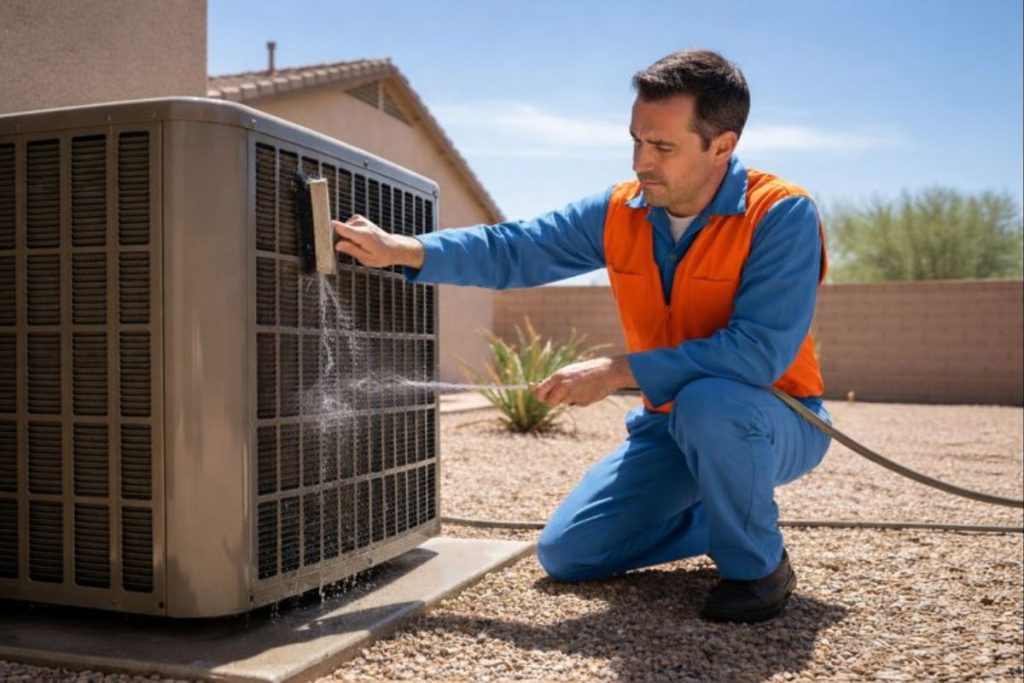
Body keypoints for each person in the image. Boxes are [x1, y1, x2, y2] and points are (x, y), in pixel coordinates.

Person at [332, 49, 832, 623]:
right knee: (569, 552)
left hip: (775, 416)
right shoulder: (622, 210)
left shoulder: (779, 214)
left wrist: (617, 372)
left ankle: (757, 568)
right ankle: (730, 513)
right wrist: (407, 250)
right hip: (670, 424)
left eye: (662, 147)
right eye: (636, 140)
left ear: (721, 146)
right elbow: (516, 248)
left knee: (710, 402)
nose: (641, 162)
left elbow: (757, 353)